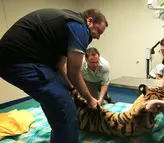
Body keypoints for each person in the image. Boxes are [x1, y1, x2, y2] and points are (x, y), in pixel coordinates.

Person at [0, 8, 108, 143]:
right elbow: (73, 73)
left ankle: (60, 133)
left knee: (58, 97)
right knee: (65, 107)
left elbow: (60, 64)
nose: (98, 36)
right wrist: (90, 99)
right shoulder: (80, 28)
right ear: (90, 21)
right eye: (98, 31)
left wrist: (71, 87)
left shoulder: (69, 21)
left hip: (18, 59)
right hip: (20, 60)